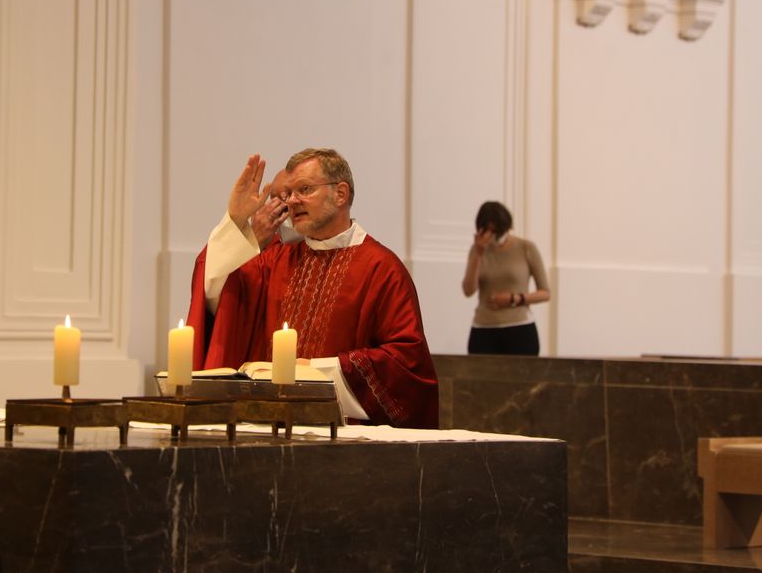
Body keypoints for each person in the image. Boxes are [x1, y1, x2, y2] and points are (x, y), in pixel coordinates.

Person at [186, 149, 439, 428]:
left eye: (304, 189)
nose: (292, 201)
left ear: (340, 194)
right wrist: (235, 222)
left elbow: (407, 363)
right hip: (271, 430)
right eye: (289, 192)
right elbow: (217, 292)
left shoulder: (381, 268)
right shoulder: (274, 263)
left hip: (346, 441)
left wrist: (319, 372)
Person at [462, 201, 550, 356]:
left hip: (520, 327)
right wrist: (478, 254)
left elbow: (545, 293)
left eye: (496, 231)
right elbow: (468, 290)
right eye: (487, 230)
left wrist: (514, 298)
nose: (492, 235)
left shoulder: (526, 248)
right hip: (484, 328)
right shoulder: (477, 250)